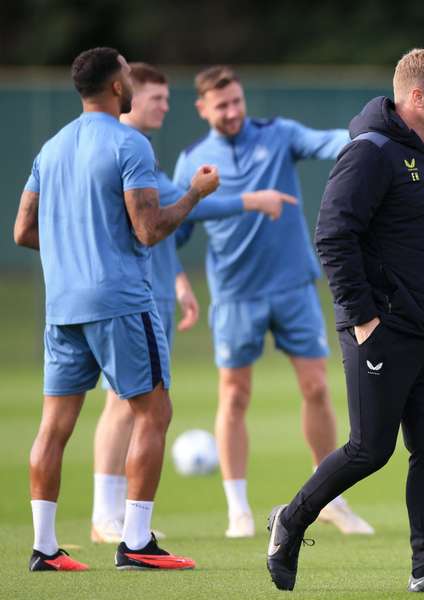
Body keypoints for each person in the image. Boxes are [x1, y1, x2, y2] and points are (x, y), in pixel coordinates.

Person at [265, 48, 424, 594]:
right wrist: (363, 317)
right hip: (381, 329)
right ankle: (290, 521)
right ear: (416, 97)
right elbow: (333, 236)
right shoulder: (369, 153)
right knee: (370, 449)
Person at [15, 47, 219, 571]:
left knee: (54, 426)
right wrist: (194, 193)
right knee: (153, 411)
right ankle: (136, 543)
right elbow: (149, 229)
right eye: (128, 75)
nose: (131, 82)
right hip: (119, 302)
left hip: (62, 306)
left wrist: (71, 249)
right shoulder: (129, 143)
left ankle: (44, 548)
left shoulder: (52, 147)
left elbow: (22, 231)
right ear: (115, 88)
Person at [89, 62, 300, 544]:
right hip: (128, 295)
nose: (166, 105)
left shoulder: (139, 150)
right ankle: (106, 516)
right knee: (125, 405)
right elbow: (183, 203)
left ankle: (116, 514)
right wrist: (250, 200)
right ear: (128, 96)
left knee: (135, 404)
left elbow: (160, 218)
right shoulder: (123, 147)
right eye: (157, 97)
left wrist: (178, 279)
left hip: (155, 291)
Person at [173, 65, 371, 538]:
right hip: (235, 296)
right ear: (202, 109)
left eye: (237, 101)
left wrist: (369, 137)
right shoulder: (192, 161)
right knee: (235, 395)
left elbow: (327, 141)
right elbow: (169, 232)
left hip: (294, 288)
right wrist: (178, 282)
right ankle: (237, 508)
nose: (233, 111)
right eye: (221, 105)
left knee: (317, 388)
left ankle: (332, 500)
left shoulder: (277, 134)